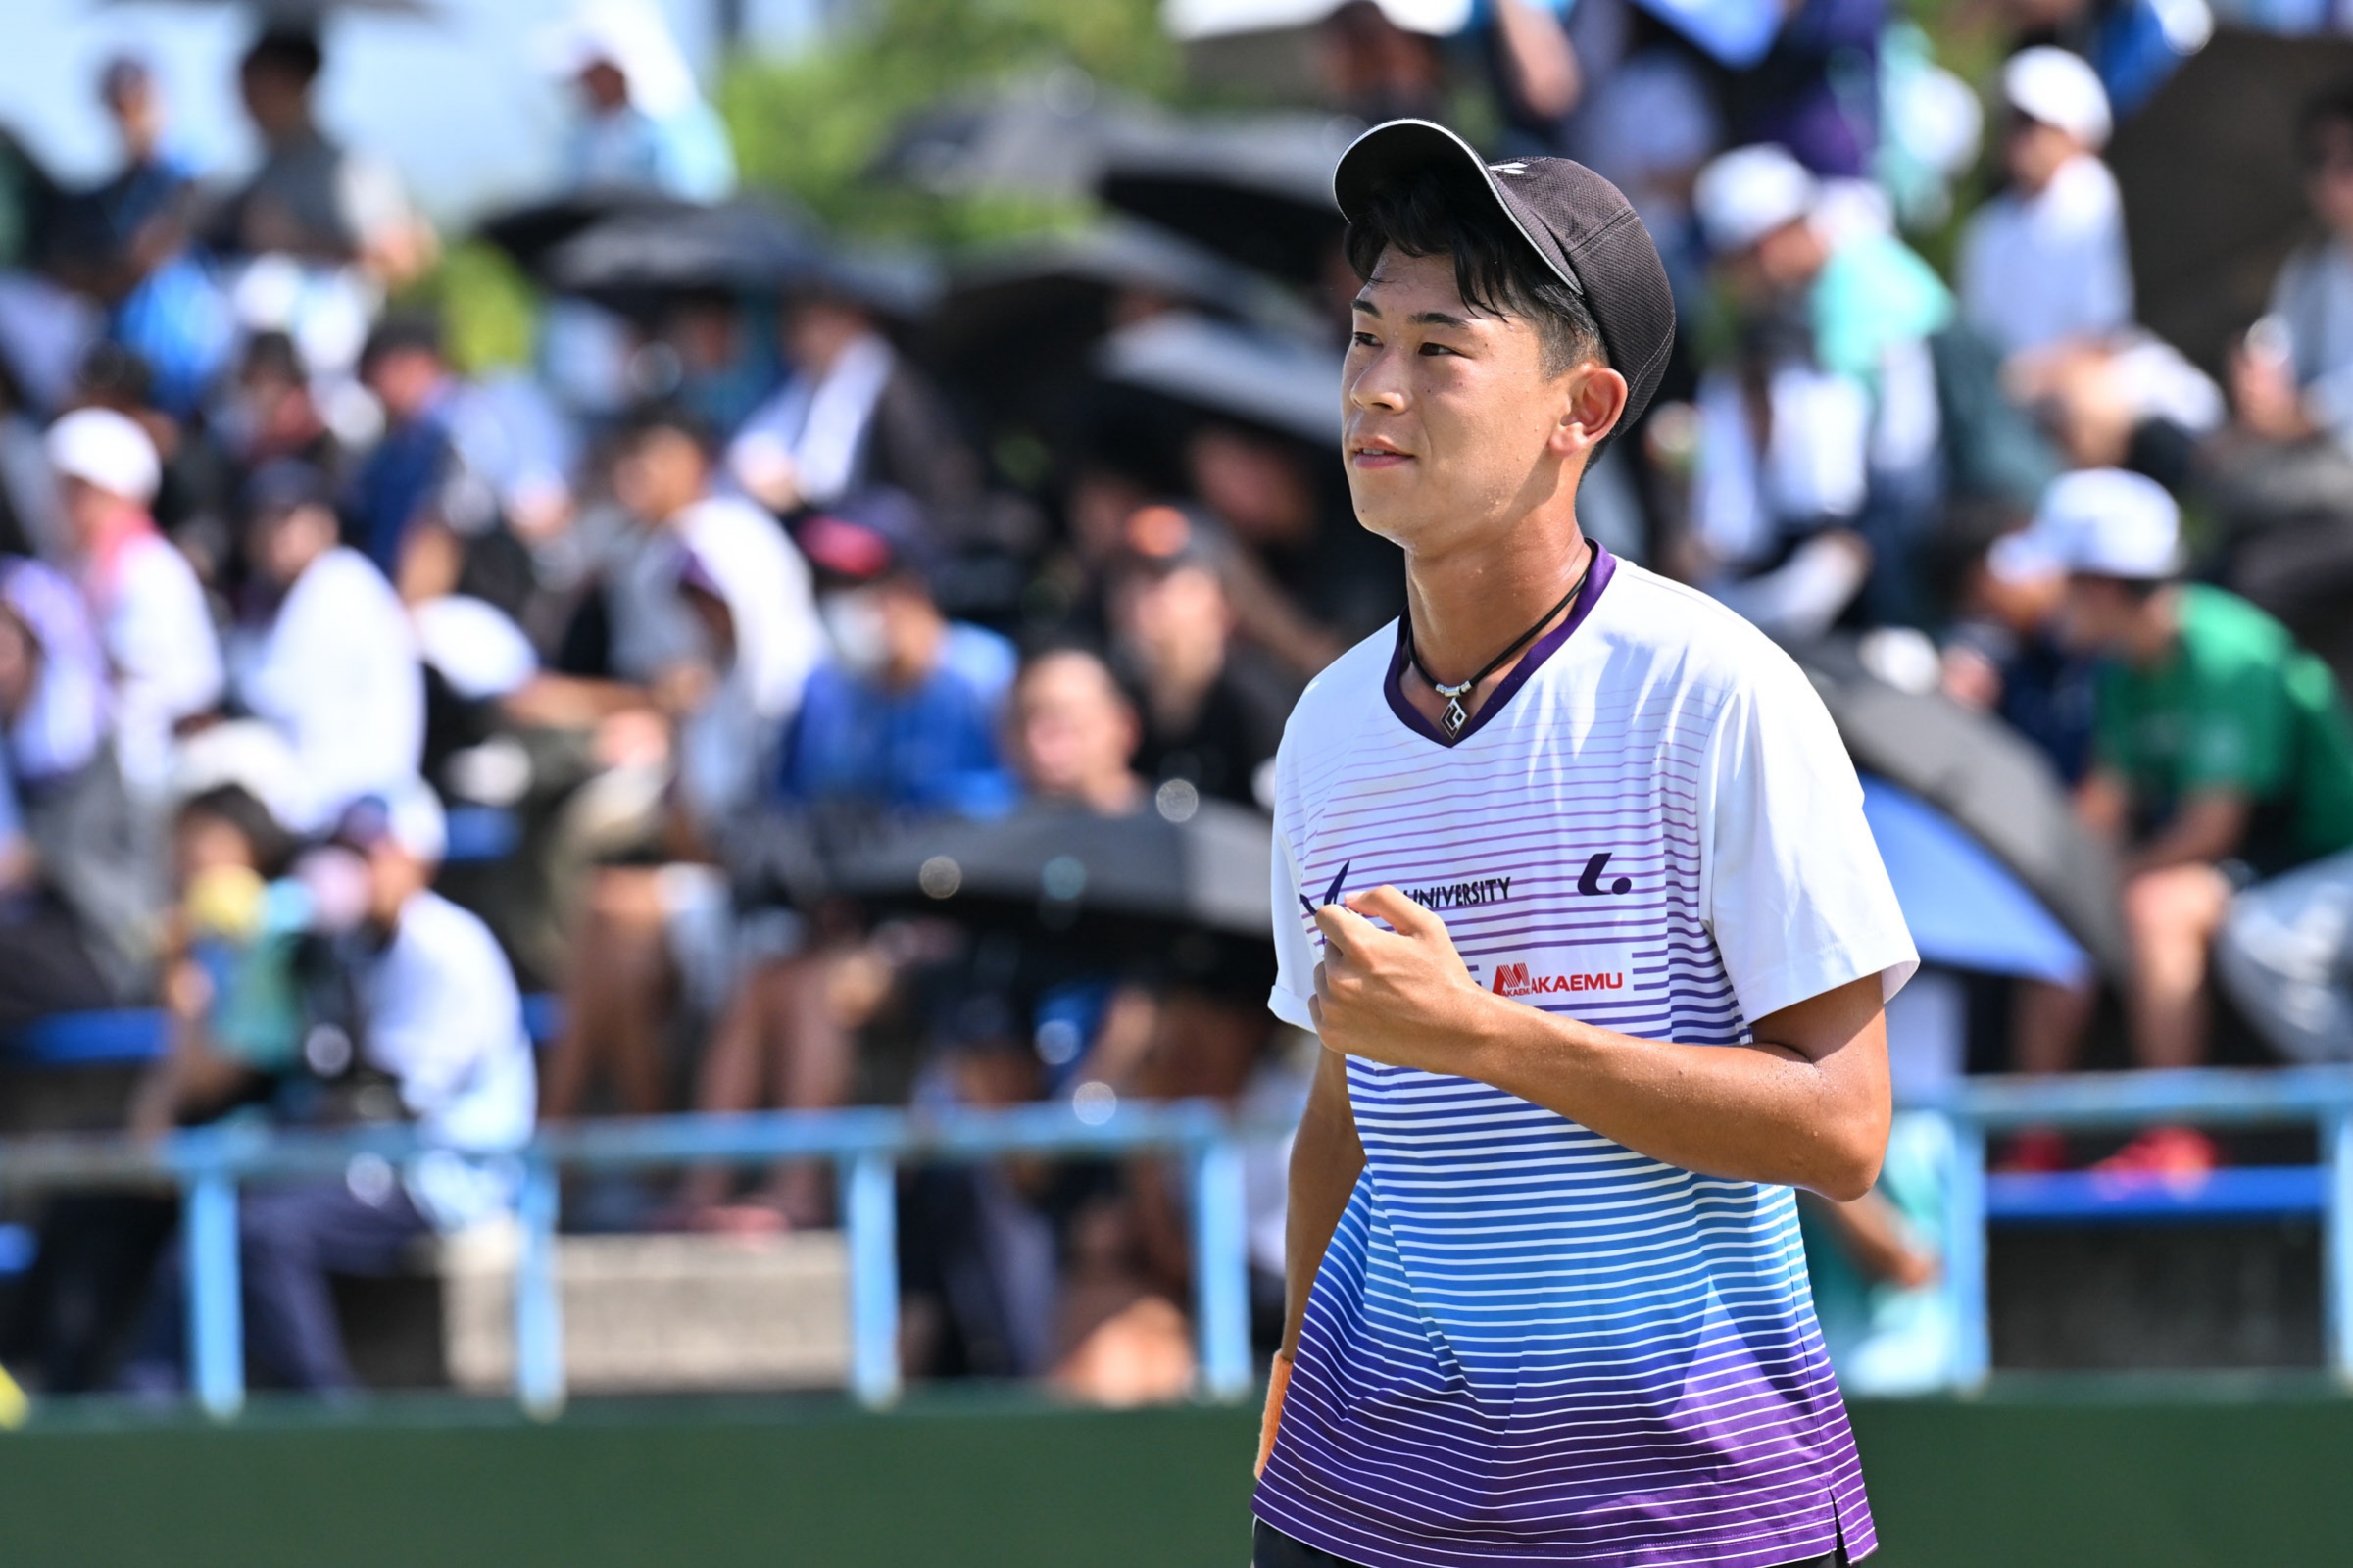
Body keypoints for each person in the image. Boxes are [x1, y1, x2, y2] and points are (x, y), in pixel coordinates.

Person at [1250, 121, 1914, 1568]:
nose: (1375, 385)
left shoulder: (1716, 689)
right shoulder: (1325, 728)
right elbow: (1346, 1111)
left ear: (1583, 407)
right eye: (1365, 336)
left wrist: (1488, 1037)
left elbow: (1843, 1127)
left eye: (1440, 347)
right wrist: (1295, 1367)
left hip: (1687, 1516)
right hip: (1362, 1507)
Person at [123, 782, 535, 1395]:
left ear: (416, 859)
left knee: (266, 1233)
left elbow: (388, 1102)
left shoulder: (447, 948)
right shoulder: (338, 946)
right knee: (211, 1220)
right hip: (365, 1156)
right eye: (345, 851)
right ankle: (149, 1398)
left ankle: (330, 1411)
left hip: (442, 1172)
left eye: (370, 853)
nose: (353, 869)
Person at [2026, 471, 2353, 1125]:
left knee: (2157, 908)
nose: (2043, 599)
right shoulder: (2118, 664)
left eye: (2057, 580)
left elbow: (2212, 829)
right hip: (2251, 854)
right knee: (2048, 918)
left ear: (2099, 587)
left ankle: (2173, 1133)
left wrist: (2106, 880)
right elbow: (2104, 806)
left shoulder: (2224, 654)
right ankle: (2032, 1134)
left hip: (2316, 856)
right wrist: (2064, 886)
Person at [1687, 141, 1951, 633]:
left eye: (1733, 261)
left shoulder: (1864, 296)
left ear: (1768, 247)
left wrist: (1853, 546)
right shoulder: (1817, 298)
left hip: (1910, 555)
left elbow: (1906, 452)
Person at [226, 460, 424, 831]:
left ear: (326, 524)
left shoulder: (339, 584)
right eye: (263, 521)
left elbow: (282, 696)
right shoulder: (276, 595)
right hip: (323, 796)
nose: (274, 535)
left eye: (287, 520)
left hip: (357, 806)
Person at [44, 407, 222, 799]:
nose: (66, 504)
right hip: (86, 776)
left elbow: (172, 691)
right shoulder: (76, 564)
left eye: (81, 491)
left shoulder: (151, 568)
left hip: (147, 776)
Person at [215, 27, 431, 288]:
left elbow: (400, 258)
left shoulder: (351, 168)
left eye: (257, 90)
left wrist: (295, 242)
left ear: (297, 85)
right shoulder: (262, 171)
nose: (246, 106)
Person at [1957, 47, 2132, 364]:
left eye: (2031, 123)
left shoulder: (2095, 200)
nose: (2017, 136)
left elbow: (2102, 339)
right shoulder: (1989, 228)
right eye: (2011, 120)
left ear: (2075, 135)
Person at [2239, 88, 2353, 454]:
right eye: (2318, 161)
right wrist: (2257, 373)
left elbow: (2332, 406)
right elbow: (2275, 344)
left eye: (2349, 161)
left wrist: (2301, 416)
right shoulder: (2308, 268)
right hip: (2313, 455)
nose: (2331, 179)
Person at [545, 0, 737, 202]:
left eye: (595, 73)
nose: (586, 84)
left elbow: (696, 199)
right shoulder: (584, 136)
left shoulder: (678, 128)